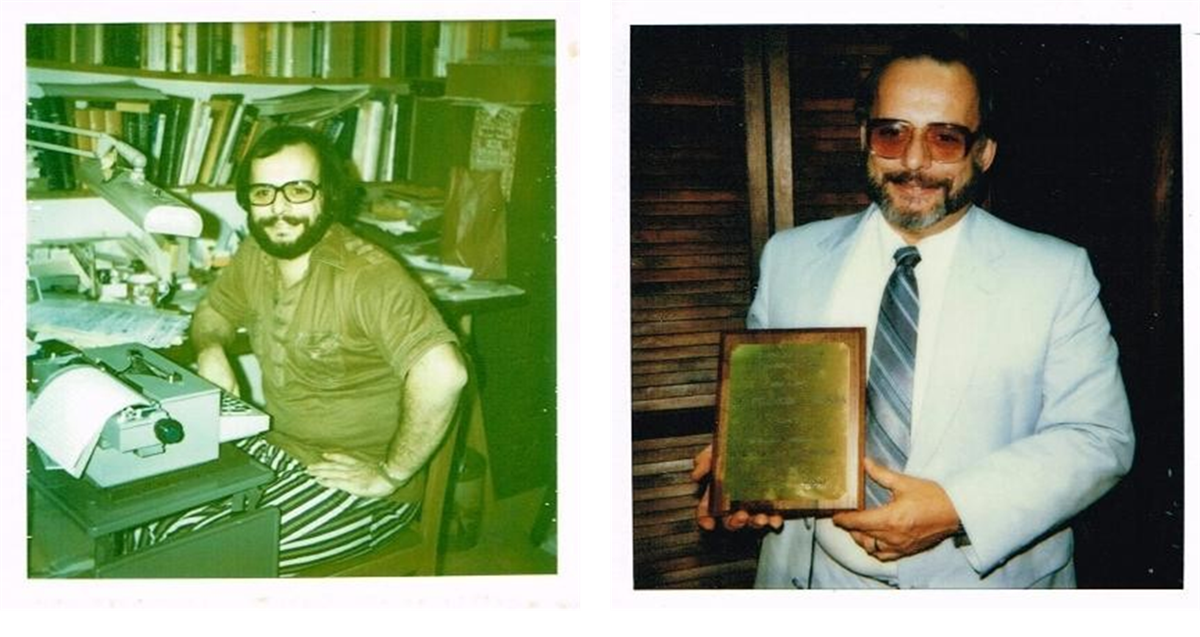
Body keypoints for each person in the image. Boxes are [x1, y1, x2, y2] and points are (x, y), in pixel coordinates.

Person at [691, 32, 1134, 588]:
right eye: (891, 133)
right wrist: (742, 469)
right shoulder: (790, 257)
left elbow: (1099, 437)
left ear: (984, 152)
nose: (914, 161)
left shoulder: (1056, 272)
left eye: (946, 138)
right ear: (864, 138)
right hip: (812, 580)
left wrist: (957, 506)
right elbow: (769, 404)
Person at [127, 125, 468, 575]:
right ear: (247, 200)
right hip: (275, 445)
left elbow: (445, 373)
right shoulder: (255, 254)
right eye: (263, 192)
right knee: (140, 521)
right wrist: (211, 348)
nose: (280, 209)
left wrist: (390, 474)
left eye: (298, 190)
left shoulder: (368, 276)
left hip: (353, 483)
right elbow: (212, 311)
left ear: (327, 195)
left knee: (200, 560)